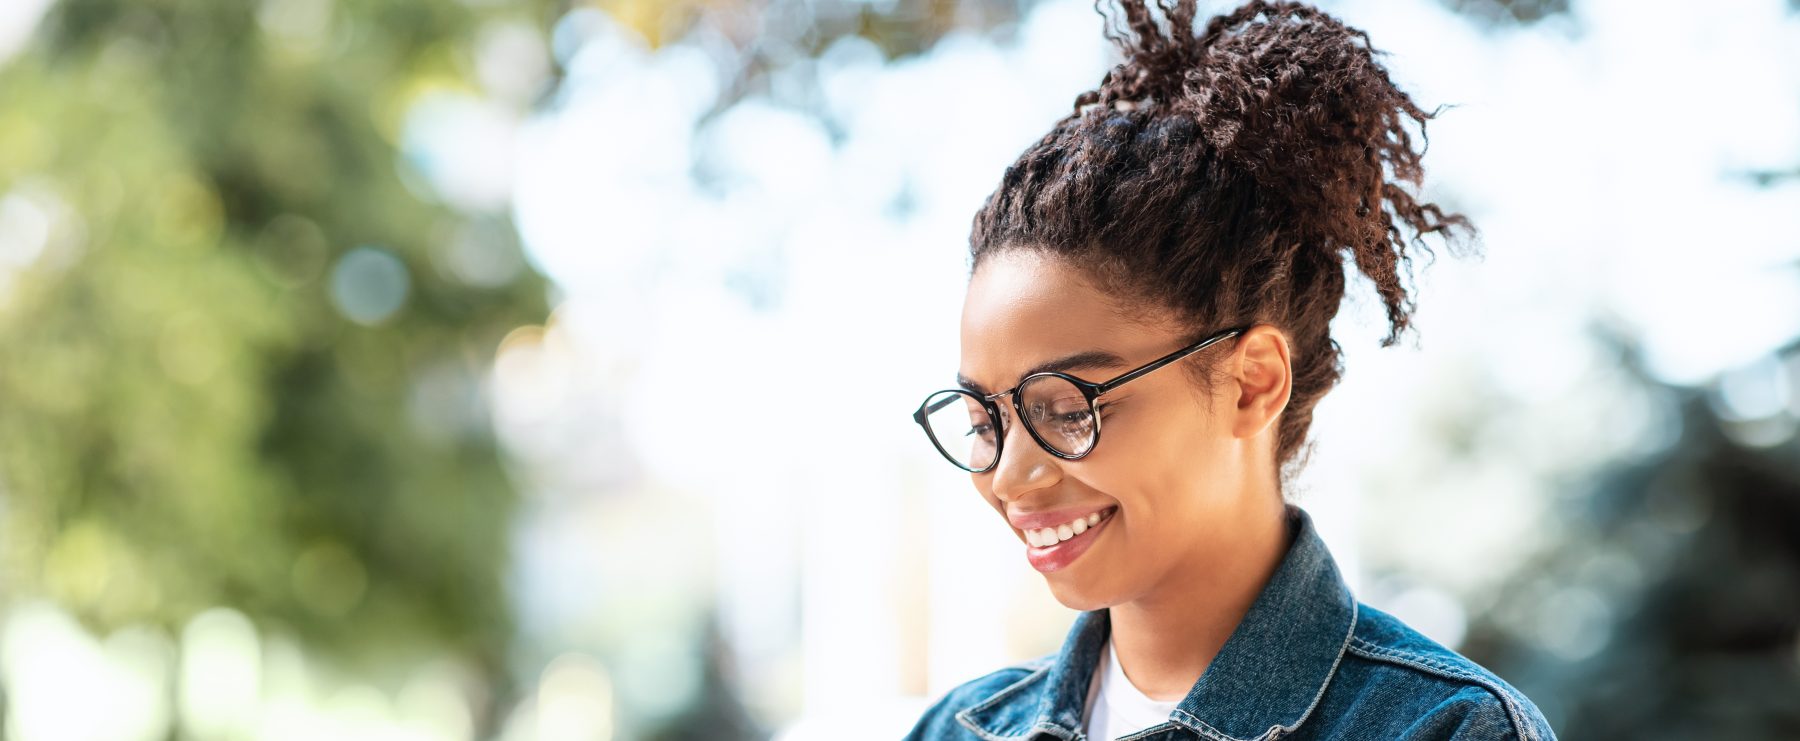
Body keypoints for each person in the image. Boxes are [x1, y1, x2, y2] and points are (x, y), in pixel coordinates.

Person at [902, 1, 1557, 739]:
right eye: (984, 420)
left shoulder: (1446, 728)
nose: (1011, 477)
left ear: (1253, 383)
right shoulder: (954, 728)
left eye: (1067, 407)